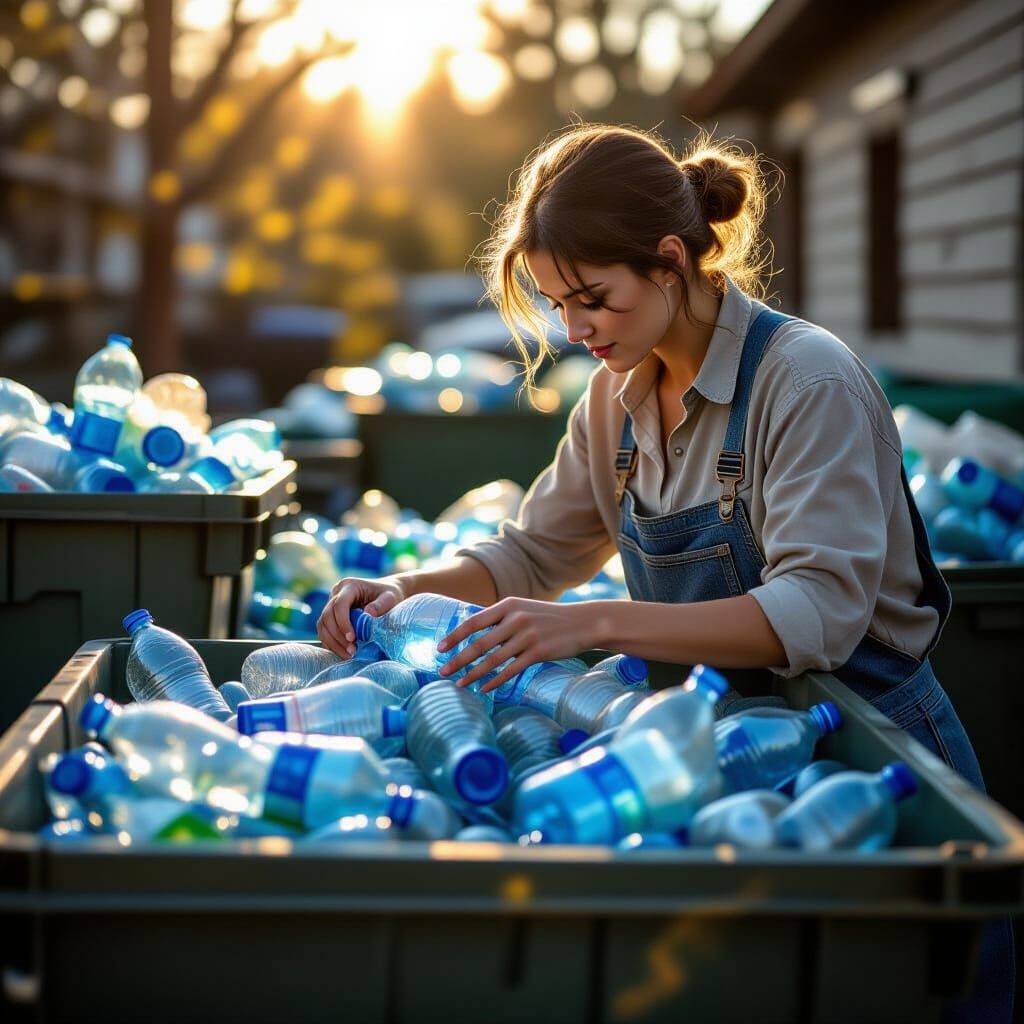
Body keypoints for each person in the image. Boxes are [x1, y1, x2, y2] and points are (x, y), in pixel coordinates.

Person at [317, 124, 1011, 1019]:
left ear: (671, 261)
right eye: (556, 304)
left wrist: (593, 622)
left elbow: (818, 613)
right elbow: (533, 553)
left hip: (880, 759)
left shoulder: (806, 382)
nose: (573, 329)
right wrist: (409, 590)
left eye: (593, 299)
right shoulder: (614, 396)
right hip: (735, 753)